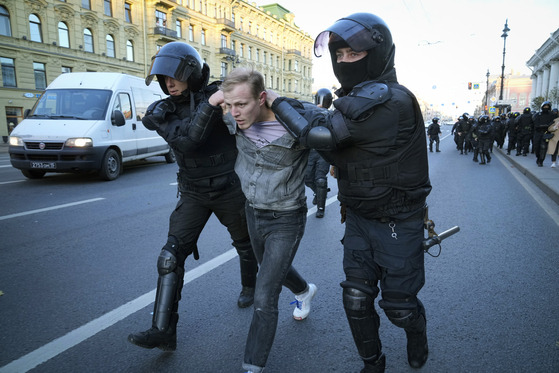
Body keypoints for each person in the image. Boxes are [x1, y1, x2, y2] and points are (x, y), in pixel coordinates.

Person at [265, 13, 432, 372]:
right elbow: (328, 122)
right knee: (355, 298)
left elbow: (321, 136)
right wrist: (294, 105)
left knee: (400, 308)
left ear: (377, 53)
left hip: (397, 219)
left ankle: (416, 331)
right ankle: (373, 363)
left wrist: (278, 103)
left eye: (352, 55)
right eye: (338, 55)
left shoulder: (394, 100)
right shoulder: (355, 101)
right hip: (358, 215)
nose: (343, 62)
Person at [127, 42, 259, 351]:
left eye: (173, 75)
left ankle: (249, 286)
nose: (168, 83)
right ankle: (163, 331)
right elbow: (188, 141)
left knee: (245, 245)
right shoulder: (163, 111)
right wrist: (212, 104)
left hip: (230, 189)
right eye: (163, 78)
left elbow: (257, 106)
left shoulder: (220, 93)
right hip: (194, 193)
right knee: (170, 257)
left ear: (190, 72)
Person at [209, 67, 318, 373]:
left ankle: (252, 366)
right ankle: (304, 290)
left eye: (241, 104)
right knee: (275, 273)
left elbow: (330, 138)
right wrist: (220, 99)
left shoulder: (294, 125)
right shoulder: (234, 117)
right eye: (229, 105)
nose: (234, 113)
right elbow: (214, 110)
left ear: (261, 98)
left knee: (264, 293)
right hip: (253, 212)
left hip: (286, 217)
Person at [306, 88, 333, 218]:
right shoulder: (310, 111)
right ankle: (319, 193)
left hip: (324, 152)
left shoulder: (332, 115)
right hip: (311, 150)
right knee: (307, 178)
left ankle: (320, 208)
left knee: (320, 180)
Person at [533, 101, 555, 167]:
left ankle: (541, 161)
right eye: (545, 106)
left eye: (547, 106)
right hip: (538, 133)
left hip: (546, 133)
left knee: (543, 147)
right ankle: (538, 157)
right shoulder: (537, 115)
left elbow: (553, 123)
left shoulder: (552, 115)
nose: (546, 107)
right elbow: (535, 124)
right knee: (536, 147)